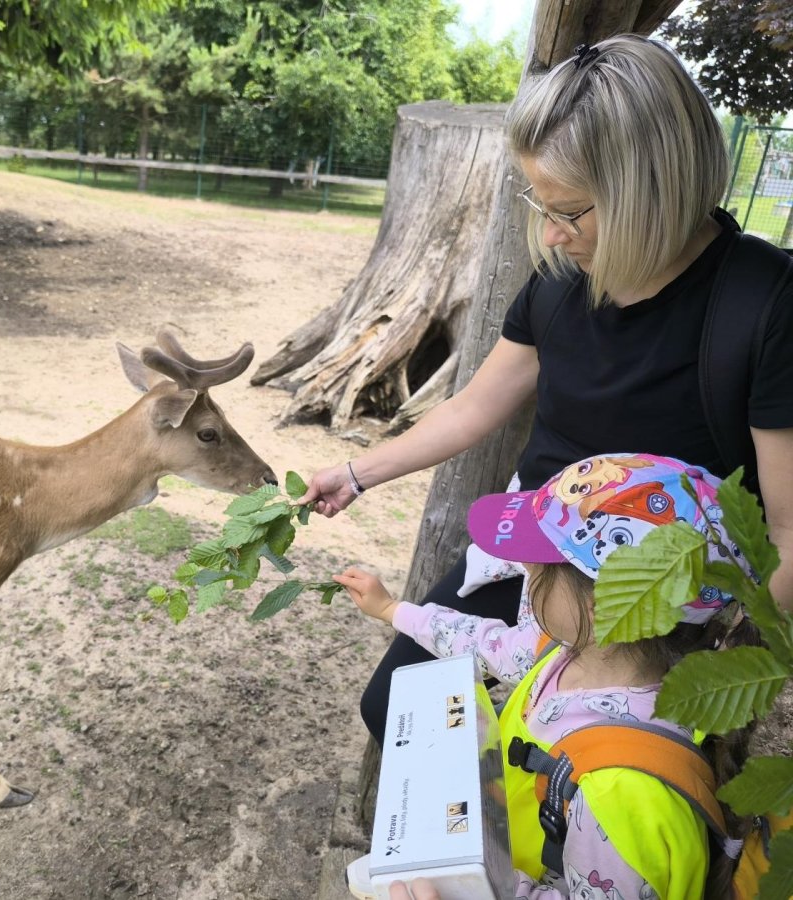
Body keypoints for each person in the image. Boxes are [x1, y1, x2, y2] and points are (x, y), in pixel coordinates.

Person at [299, 34, 793, 748]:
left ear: (654, 189)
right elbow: (475, 406)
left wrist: (725, 666)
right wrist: (355, 473)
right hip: (535, 542)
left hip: (665, 607)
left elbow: (786, 531)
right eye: (542, 204)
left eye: (571, 211)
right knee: (402, 712)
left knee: (597, 765)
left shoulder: (765, 305)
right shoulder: (561, 282)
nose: (552, 236)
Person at [338, 453, 758, 900]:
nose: (525, 566)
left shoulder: (622, 795)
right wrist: (393, 610)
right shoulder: (564, 652)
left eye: (540, 560)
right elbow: (483, 642)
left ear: (606, 607)